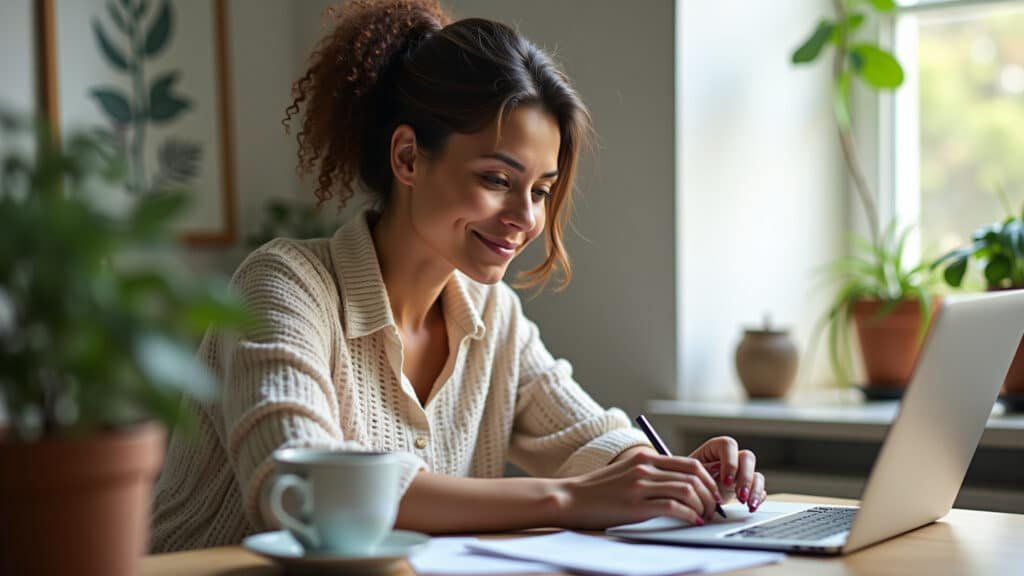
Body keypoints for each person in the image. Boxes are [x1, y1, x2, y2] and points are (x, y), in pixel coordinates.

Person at [150, 0, 766, 552]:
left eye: (542, 190)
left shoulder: (491, 315)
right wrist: (568, 500)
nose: (525, 218)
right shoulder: (283, 286)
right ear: (408, 157)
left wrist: (674, 474)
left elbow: (587, 437)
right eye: (497, 180)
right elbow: (305, 488)